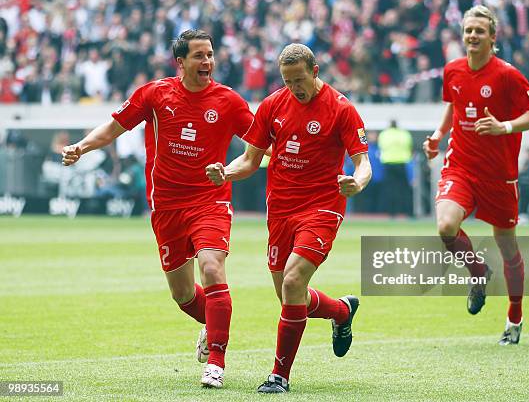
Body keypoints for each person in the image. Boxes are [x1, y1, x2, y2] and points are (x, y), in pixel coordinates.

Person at [61, 29, 255, 388]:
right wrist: (82, 146)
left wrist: (235, 169)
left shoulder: (229, 101)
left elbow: (260, 144)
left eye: (210, 54)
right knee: (182, 294)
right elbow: (113, 128)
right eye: (199, 55)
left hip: (210, 199)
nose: (208, 62)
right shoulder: (156, 94)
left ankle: (216, 360)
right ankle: (213, 322)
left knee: (212, 267)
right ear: (180, 62)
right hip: (166, 205)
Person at [206, 43, 371, 393]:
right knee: (288, 296)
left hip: (323, 207)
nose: (294, 87)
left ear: (315, 71)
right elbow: (250, 160)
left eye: (299, 79)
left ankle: (279, 376)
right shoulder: (272, 105)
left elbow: (362, 162)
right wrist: (226, 172)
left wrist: (356, 182)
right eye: (287, 80)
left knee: (294, 282)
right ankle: (341, 312)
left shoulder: (341, 108)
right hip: (280, 207)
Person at [423, 5, 529, 346]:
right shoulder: (453, 70)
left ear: (492, 37)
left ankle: (514, 317)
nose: (472, 36)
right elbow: (453, 105)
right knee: (445, 226)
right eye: (468, 30)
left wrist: (503, 126)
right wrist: (436, 136)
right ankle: (478, 273)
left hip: (499, 177)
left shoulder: (507, 75)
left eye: (479, 31)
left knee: (508, 248)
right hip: (460, 166)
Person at [377, 119, 413, 217]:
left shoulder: (384, 134)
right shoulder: (405, 134)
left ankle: (392, 213)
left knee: (390, 190)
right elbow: (409, 147)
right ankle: (409, 213)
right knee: (405, 189)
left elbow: (381, 147)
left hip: (388, 163)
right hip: (402, 163)